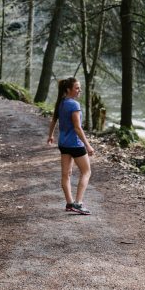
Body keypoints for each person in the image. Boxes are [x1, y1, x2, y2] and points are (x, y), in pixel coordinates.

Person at [47, 77, 94, 215]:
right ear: (68, 89)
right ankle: (78, 203)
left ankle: (69, 203)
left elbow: (54, 119)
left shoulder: (60, 103)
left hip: (63, 144)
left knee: (66, 174)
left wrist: (50, 135)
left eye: (79, 88)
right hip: (75, 145)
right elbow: (78, 128)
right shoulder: (74, 105)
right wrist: (88, 145)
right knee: (86, 172)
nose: (79, 90)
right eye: (77, 88)